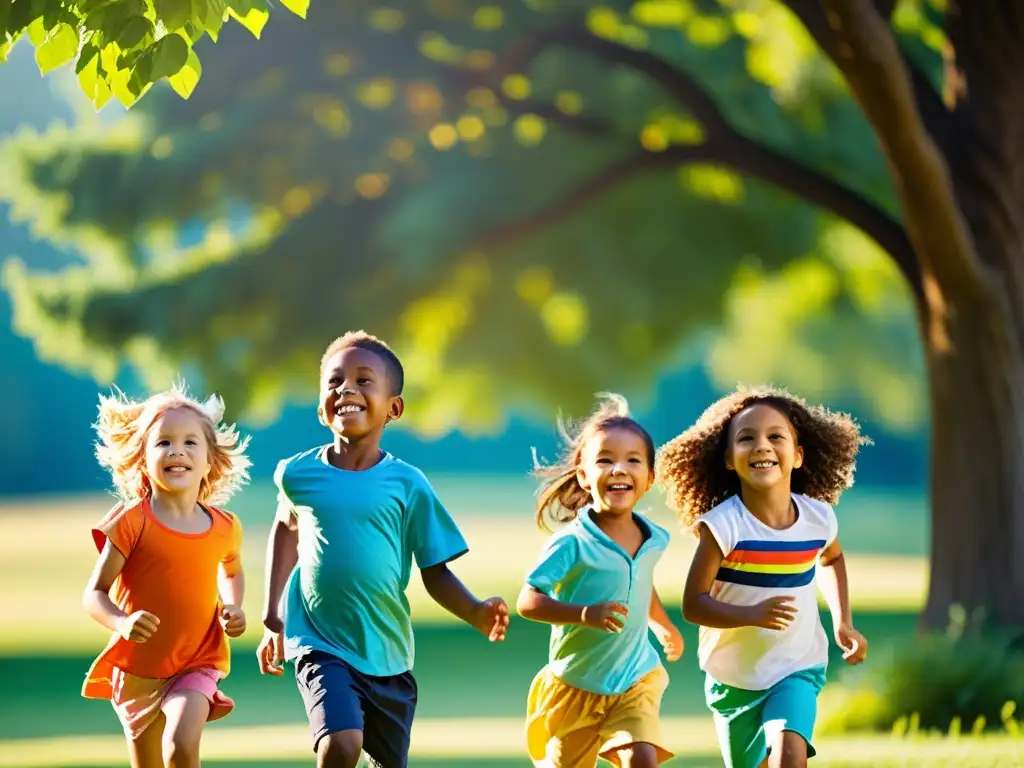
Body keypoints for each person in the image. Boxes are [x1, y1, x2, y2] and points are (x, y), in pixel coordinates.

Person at [257, 330, 510, 768]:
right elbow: (286, 529)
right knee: (341, 743)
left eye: (363, 380)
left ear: (394, 408)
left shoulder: (408, 484)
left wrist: (474, 610)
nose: (347, 389)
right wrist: (273, 615)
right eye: (334, 382)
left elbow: (436, 571)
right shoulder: (297, 475)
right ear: (322, 408)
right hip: (320, 643)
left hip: (387, 656)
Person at [657, 386, 869, 768]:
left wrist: (843, 622)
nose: (762, 446)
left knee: (790, 752)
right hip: (733, 679)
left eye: (776, 436)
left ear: (798, 455)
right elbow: (693, 604)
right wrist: (752, 615)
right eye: (746, 438)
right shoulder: (723, 527)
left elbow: (832, 560)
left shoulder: (818, 519)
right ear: (728, 459)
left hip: (797, 666)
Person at [82, 384, 251, 768]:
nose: (177, 450)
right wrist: (122, 623)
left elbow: (233, 569)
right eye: (163, 443)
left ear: (210, 461)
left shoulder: (225, 526)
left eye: (191, 442)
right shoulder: (131, 523)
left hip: (198, 659)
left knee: (179, 744)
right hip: (138, 670)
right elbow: (94, 594)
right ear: (143, 459)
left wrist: (233, 605)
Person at [518, 393, 682, 767]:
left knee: (642, 756)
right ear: (584, 476)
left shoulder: (655, 538)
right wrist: (584, 614)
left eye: (632, 461)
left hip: (635, 679)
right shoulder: (572, 543)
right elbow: (528, 600)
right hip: (575, 685)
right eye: (605, 460)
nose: (619, 469)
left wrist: (663, 625)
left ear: (649, 478)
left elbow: (639, 580)